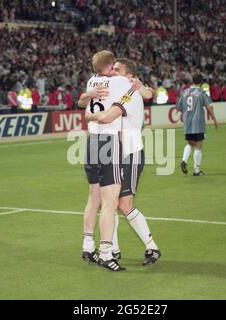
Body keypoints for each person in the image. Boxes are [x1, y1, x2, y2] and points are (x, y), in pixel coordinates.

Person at [81, 58, 161, 267]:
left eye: (116, 70)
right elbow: (149, 92)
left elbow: (109, 116)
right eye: (112, 68)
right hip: (117, 151)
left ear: (129, 76)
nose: (112, 73)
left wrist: (90, 116)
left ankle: (150, 245)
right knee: (112, 201)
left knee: (122, 203)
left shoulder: (130, 94)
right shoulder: (121, 90)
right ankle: (112, 249)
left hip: (130, 153)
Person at [79, 50, 133, 272]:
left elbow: (82, 102)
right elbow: (132, 90)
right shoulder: (118, 82)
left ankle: (87, 245)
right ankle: (105, 253)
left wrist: (89, 99)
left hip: (91, 141)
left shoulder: (92, 81)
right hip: (108, 142)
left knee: (94, 199)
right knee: (110, 203)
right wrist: (128, 93)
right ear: (111, 66)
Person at [177, 72, 219, 176]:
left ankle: (184, 160)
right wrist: (215, 120)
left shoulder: (184, 92)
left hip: (187, 123)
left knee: (190, 144)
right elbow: (209, 107)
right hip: (198, 123)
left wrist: (186, 114)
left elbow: (179, 107)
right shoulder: (201, 92)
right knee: (198, 146)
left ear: (192, 80)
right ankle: (196, 171)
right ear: (201, 82)